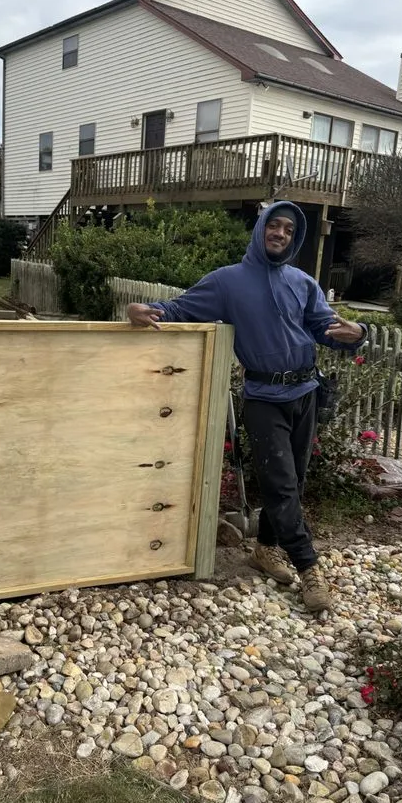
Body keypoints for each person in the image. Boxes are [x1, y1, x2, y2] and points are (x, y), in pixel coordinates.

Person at [127, 201, 366, 613]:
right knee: (281, 484)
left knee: (295, 480)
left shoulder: (303, 282)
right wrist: (138, 310)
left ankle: (265, 549)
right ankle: (309, 567)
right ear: (260, 230)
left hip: (306, 392)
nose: (281, 235)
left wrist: (357, 332)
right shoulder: (227, 282)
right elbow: (179, 309)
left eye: (289, 230)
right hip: (264, 398)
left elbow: (328, 330)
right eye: (274, 226)